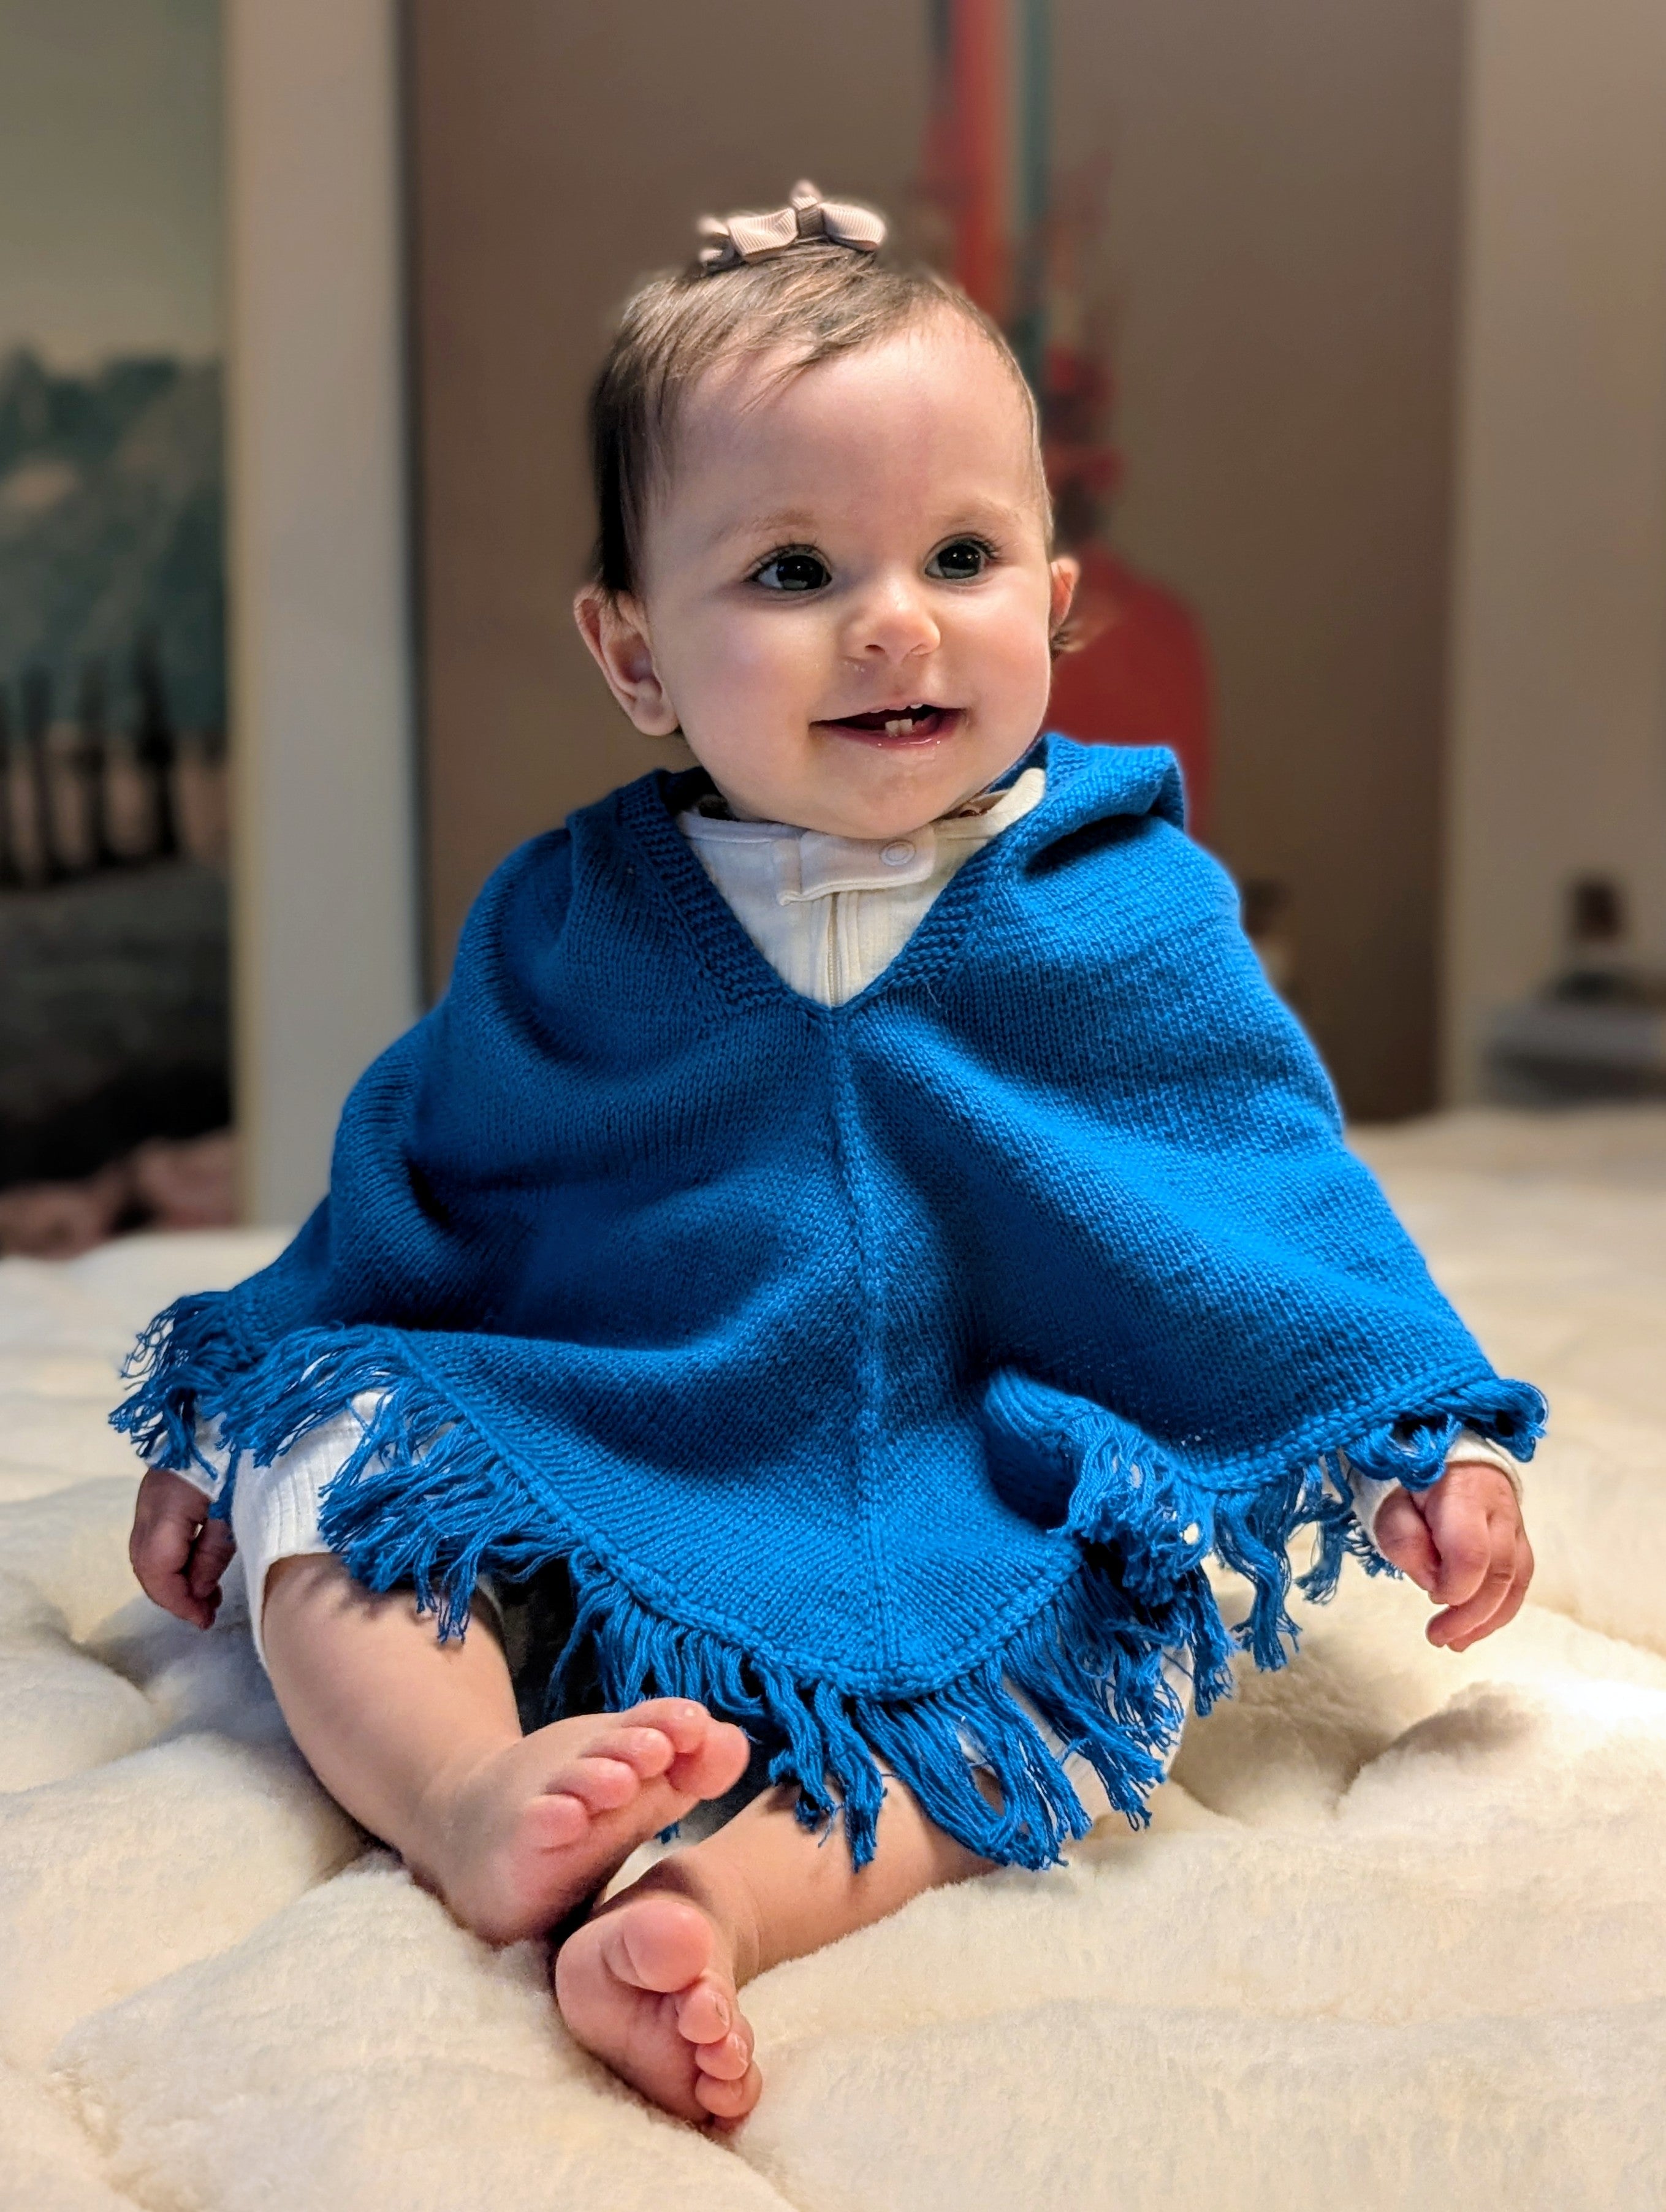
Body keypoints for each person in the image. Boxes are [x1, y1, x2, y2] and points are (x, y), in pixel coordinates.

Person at [120, 183, 1541, 2130]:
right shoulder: (575, 916)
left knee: (1087, 1669)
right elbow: (421, 1180)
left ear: (1052, 605)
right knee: (340, 1462)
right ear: (635, 655)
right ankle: (468, 1794)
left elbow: (1262, 1193)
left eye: (959, 552)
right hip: (607, 1422)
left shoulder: (1125, 910)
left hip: (984, 1452)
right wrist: (221, 1422)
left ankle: (714, 1899)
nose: (891, 617)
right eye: (791, 570)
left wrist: (1410, 1436)